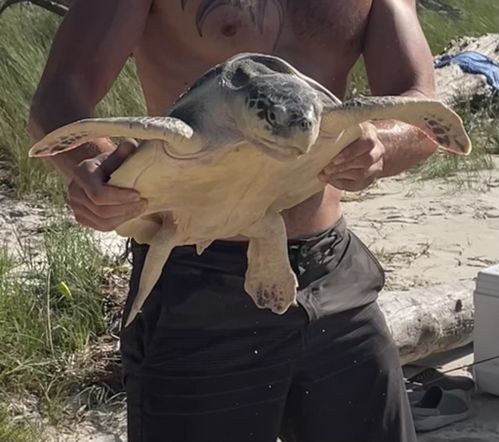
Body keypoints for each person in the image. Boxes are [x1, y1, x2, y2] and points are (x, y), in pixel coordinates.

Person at [28, 1, 439, 441]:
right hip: (198, 284)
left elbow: (421, 106)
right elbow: (60, 94)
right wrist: (95, 169)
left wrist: (381, 147)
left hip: (333, 274)